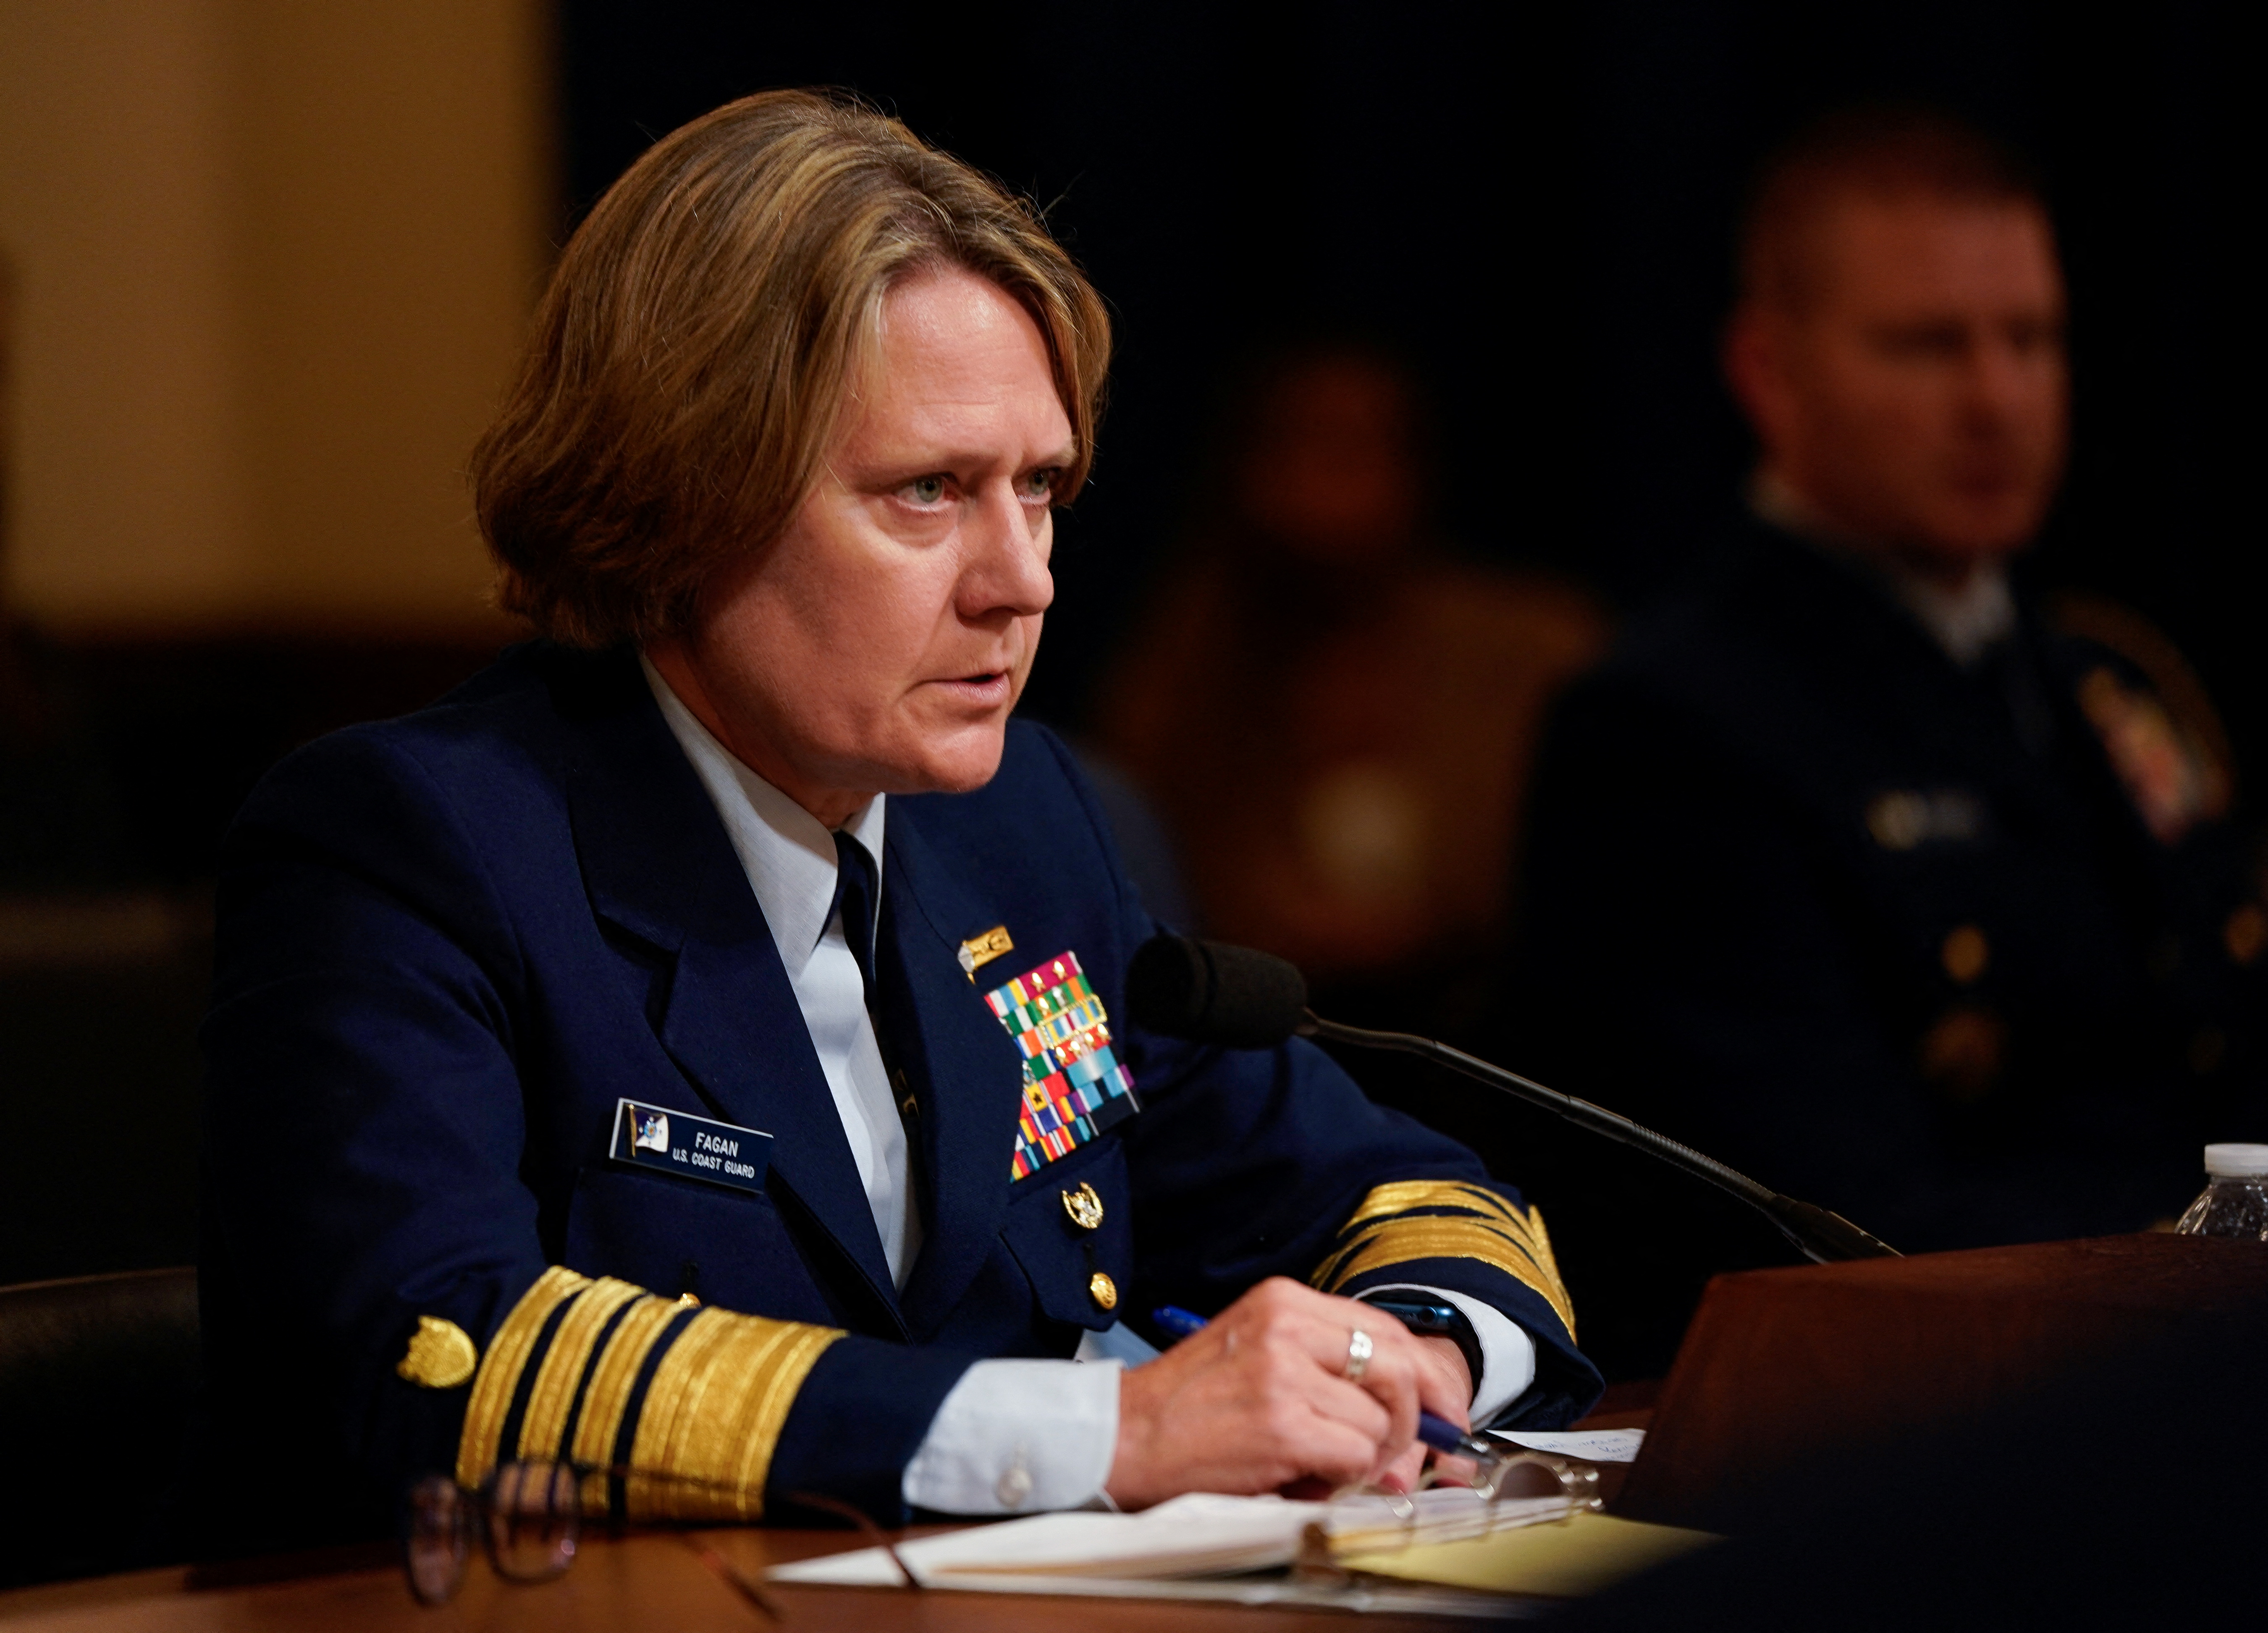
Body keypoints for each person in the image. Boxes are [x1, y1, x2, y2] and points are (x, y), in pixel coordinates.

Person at [199, 92, 1598, 1548]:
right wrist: (1111, 1433)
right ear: (683, 497)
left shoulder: (1019, 826)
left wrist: (1408, 1367)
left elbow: (1398, 1192)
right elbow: (444, 1357)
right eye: (928, 492)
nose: (1022, 580)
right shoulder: (415, 846)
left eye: (1040, 488)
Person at [1503, 107, 2268, 1368]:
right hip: (1907, 1421)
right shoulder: (1667, 726)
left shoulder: (2096, 686)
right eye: (1927, 346)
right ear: (1771, 373)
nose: (1994, 397)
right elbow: (1825, 1217)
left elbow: (2245, 1057)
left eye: (2029, 340)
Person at [1099, 343, 1607, 1017]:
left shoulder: (1530, 651)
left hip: (1501, 1044)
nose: (1325, 482)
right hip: (1270, 1049)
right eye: (1298, 445)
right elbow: (1149, 893)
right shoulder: (1188, 670)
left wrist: (1433, 931)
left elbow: (1594, 878)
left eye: (1355, 447)